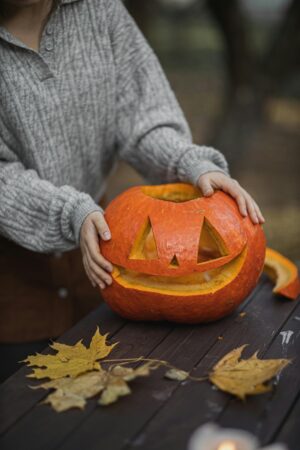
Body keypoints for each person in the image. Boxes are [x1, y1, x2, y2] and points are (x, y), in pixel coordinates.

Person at [0, 0, 264, 380]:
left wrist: (188, 162)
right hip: (12, 279)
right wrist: (69, 213)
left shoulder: (100, 11)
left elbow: (141, 117)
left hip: (105, 260)